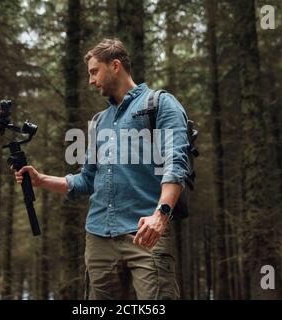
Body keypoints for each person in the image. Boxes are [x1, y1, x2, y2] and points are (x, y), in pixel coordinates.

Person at [12, 38, 190, 299]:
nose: (90, 80)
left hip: (145, 232)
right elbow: (86, 179)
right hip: (98, 238)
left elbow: (176, 162)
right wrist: (40, 180)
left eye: (94, 71)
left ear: (115, 65)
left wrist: (160, 215)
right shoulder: (99, 121)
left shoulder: (159, 104)